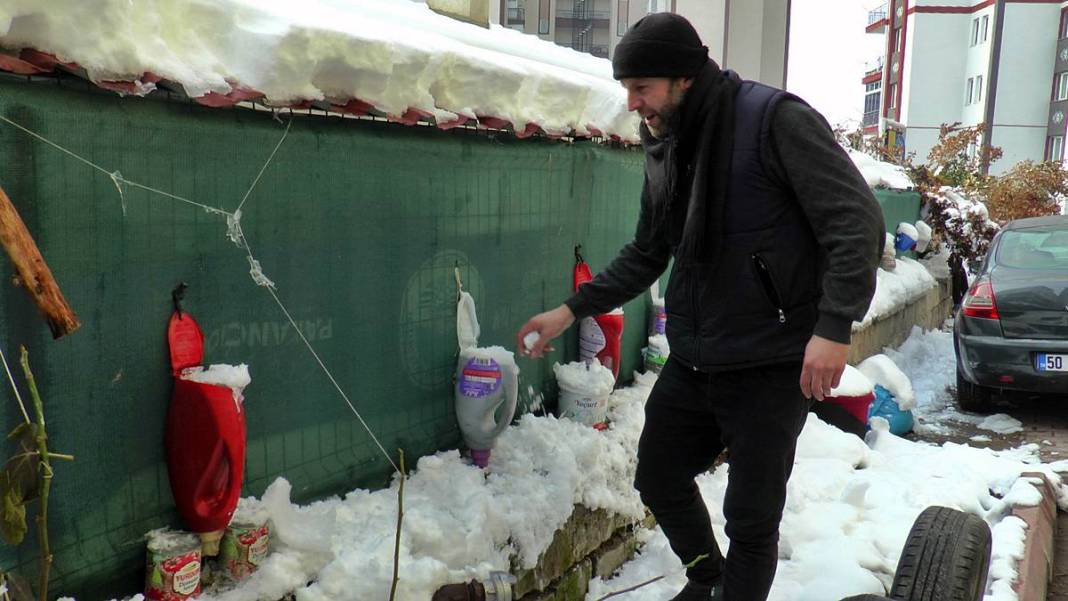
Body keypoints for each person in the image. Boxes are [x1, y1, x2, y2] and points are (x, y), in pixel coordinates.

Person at [516, 13, 885, 601]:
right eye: (628, 90)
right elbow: (650, 249)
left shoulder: (774, 120)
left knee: (751, 518)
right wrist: (571, 310)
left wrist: (834, 326)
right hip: (696, 356)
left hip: (771, 358)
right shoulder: (666, 141)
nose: (633, 103)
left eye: (642, 89)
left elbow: (856, 221)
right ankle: (707, 576)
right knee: (658, 477)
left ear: (684, 77)